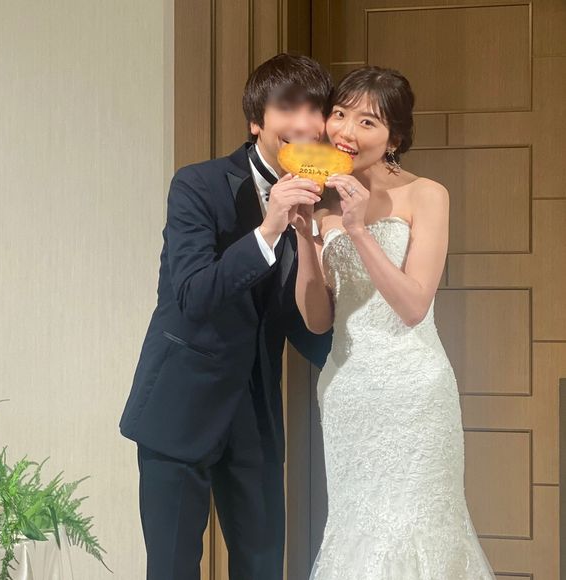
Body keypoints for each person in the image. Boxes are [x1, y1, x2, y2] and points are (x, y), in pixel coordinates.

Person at [118, 53, 334, 580]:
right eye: (288, 108)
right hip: (180, 405)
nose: (305, 122)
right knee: (172, 569)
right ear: (256, 121)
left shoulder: (324, 201)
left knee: (262, 568)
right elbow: (193, 295)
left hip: (257, 414)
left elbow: (306, 326)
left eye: (316, 109)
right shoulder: (197, 185)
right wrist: (270, 227)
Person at [291, 65, 497, 579]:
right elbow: (317, 321)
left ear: (394, 139)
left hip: (413, 390)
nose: (346, 131)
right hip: (347, 389)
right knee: (356, 528)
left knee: (420, 527)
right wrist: (302, 235)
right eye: (340, 115)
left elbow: (413, 306)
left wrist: (358, 230)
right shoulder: (320, 199)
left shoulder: (427, 194)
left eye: (368, 122)